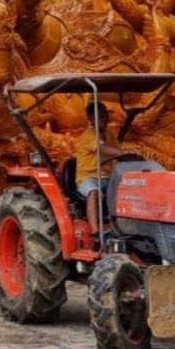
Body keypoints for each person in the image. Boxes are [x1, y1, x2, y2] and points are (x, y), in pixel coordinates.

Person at [75, 104, 124, 246]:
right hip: (88, 178)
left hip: (107, 178)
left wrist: (129, 156)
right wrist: (122, 153)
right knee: (93, 191)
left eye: (105, 116)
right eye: (101, 116)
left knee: (128, 188)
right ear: (91, 118)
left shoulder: (109, 135)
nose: (105, 119)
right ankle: (96, 233)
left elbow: (118, 151)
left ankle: (123, 227)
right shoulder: (88, 135)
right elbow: (103, 148)